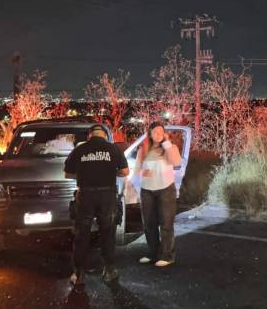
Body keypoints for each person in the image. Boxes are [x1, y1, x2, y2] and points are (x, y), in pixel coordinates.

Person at [65, 124, 129, 286]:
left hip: (85, 196)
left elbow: (67, 173)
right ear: (105, 135)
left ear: (90, 136)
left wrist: (85, 173)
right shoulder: (113, 149)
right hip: (107, 196)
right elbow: (125, 172)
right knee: (108, 233)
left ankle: (79, 273)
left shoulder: (80, 149)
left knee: (82, 233)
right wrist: (110, 172)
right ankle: (109, 270)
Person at [133, 122, 181, 267]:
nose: (159, 134)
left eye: (161, 131)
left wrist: (167, 142)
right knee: (149, 224)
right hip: (147, 190)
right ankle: (153, 253)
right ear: (150, 133)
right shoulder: (143, 149)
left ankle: (167, 256)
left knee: (166, 224)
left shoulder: (170, 147)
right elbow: (136, 170)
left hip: (166, 190)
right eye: (155, 132)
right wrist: (143, 172)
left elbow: (176, 162)